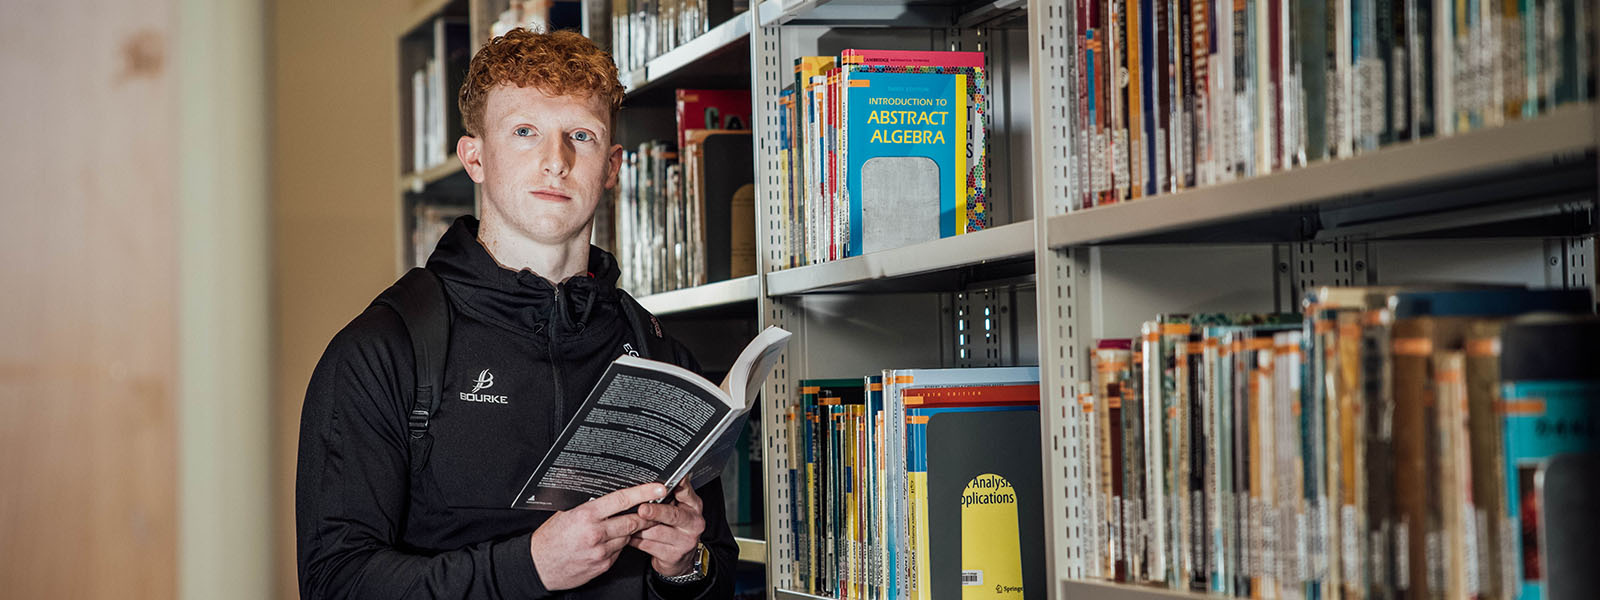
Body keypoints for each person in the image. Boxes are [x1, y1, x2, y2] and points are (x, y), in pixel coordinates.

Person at [296, 28, 736, 599]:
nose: (556, 161)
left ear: (612, 166)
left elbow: (715, 572)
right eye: (525, 133)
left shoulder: (658, 354)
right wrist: (529, 567)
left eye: (582, 135)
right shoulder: (383, 350)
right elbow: (336, 584)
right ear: (475, 157)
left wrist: (686, 567)